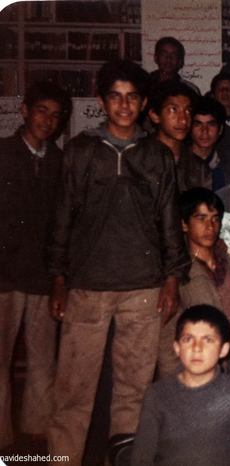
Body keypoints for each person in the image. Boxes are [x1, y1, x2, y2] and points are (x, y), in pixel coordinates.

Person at [47, 59, 188, 466]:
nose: (124, 106)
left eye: (132, 98)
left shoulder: (158, 155)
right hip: (88, 285)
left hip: (143, 287)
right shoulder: (80, 151)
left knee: (134, 390)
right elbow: (62, 217)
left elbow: (168, 221)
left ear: (143, 104)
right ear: (101, 101)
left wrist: (172, 279)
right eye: (115, 97)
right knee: (73, 389)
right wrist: (58, 278)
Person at [0, 81, 70, 450]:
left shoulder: (60, 161)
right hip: (3, 276)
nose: (48, 121)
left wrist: (58, 274)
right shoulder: (3, 153)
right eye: (41, 111)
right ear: (25, 110)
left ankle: (37, 435)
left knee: (44, 358)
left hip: (43, 276)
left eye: (56, 115)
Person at [131, 305, 230, 466]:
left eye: (208, 340)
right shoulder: (158, 394)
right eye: (188, 339)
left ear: (223, 350)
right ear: (177, 348)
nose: (197, 348)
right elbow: (141, 457)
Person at [156, 188, 230, 389]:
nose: (210, 226)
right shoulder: (178, 277)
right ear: (184, 224)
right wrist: (175, 384)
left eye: (215, 219)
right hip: (194, 375)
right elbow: (167, 337)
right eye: (201, 218)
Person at [147, 81, 198, 191]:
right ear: (155, 115)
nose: (183, 120)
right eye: (173, 110)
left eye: (188, 111)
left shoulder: (197, 167)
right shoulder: (138, 158)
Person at [184, 96, 226, 191]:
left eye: (211, 124)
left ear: (220, 129)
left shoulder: (229, 162)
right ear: (189, 128)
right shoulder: (178, 162)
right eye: (198, 124)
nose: (204, 131)